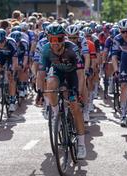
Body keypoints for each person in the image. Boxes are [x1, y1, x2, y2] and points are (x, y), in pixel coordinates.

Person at [41, 23, 86, 159]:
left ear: (64, 39)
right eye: (51, 39)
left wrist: (78, 93)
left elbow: (80, 74)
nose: (55, 43)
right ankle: (56, 115)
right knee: (50, 83)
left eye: (59, 39)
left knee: (75, 108)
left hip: (73, 75)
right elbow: (41, 73)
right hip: (58, 73)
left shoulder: (72, 49)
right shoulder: (46, 49)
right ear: (48, 39)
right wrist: (39, 91)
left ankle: (81, 145)